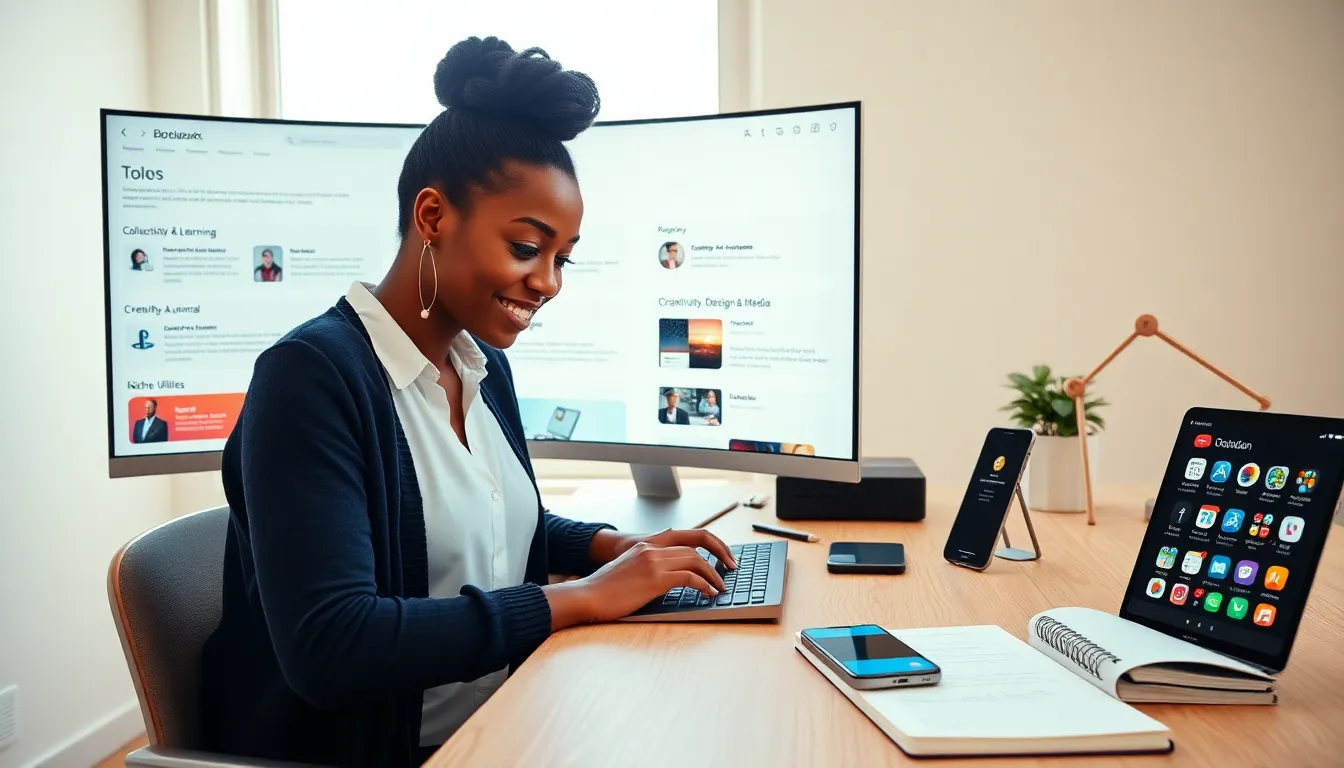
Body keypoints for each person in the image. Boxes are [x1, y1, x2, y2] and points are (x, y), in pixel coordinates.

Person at [200, 37, 735, 768]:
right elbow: (333, 646)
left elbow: (487, 524)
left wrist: (610, 549)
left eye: (562, 258)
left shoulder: (479, 364)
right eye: (526, 247)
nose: (548, 282)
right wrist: (580, 599)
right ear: (432, 217)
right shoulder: (310, 379)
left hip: (508, 724)